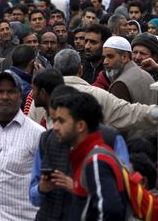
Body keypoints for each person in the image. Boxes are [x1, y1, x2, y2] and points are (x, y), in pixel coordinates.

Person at [0, 71, 45, 220]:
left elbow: (44, 184)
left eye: (11, 92)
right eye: (0, 92)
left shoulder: (37, 134)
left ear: (20, 96)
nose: (5, 97)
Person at [52, 91, 127, 219]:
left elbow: (110, 212)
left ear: (80, 126)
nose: (55, 127)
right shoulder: (88, 156)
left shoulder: (96, 161)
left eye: (61, 121)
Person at [102, 36, 157, 104]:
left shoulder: (120, 84)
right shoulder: (146, 74)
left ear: (125, 57)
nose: (105, 62)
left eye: (110, 57)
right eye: (104, 57)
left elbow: (118, 114)